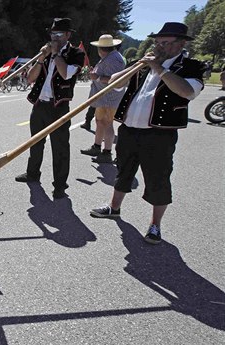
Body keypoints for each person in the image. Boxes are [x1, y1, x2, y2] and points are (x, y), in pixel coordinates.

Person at [90, 22, 205, 245]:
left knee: (158, 179)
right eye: (158, 42)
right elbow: (114, 83)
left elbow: (187, 91)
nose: (160, 46)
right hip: (130, 130)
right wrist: (139, 65)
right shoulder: (144, 64)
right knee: (123, 170)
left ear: (180, 44)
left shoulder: (191, 66)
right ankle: (114, 208)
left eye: (166, 43)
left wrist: (160, 69)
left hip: (159, 134)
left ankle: (155, 225)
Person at [15, 18, 85, 199]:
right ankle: (32, 173)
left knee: (60, 148)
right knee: (35, 143)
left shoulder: (76, 53)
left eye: (59, 34)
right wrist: (40, 59)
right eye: (52, 34)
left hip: (58, 107)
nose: (54, 38)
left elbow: (66, 74)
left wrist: (55, 54)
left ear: (68, 35)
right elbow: (30, 79)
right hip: (39, 105)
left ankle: (60, 185)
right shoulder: (44, 53)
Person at [80, 34, 126, 163]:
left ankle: (106, 152)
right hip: (103, 97)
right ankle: (97, 146)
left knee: (107, 124)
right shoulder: (110, 57)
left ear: (101, 48)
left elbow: (117, 80)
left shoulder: (113, 59)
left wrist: (97, 78)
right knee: (100, 122)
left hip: (109, 98)